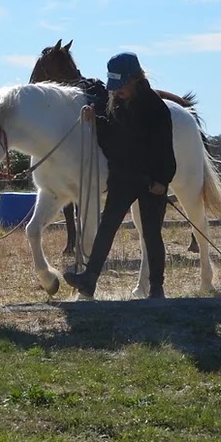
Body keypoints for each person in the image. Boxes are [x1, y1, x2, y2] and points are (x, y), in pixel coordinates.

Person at [62, 52, 176, 299]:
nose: (118, 90)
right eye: (115, 86)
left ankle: (156, 288)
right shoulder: (116, 102)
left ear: (135, 79)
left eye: (122, 85)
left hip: (150, 182)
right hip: (124, 177)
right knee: (107, 227)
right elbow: (114, 136)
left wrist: (162, 181)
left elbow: (165, 150)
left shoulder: (156, 108)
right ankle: (89, 280)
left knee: (151, 233)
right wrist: (97, 121)